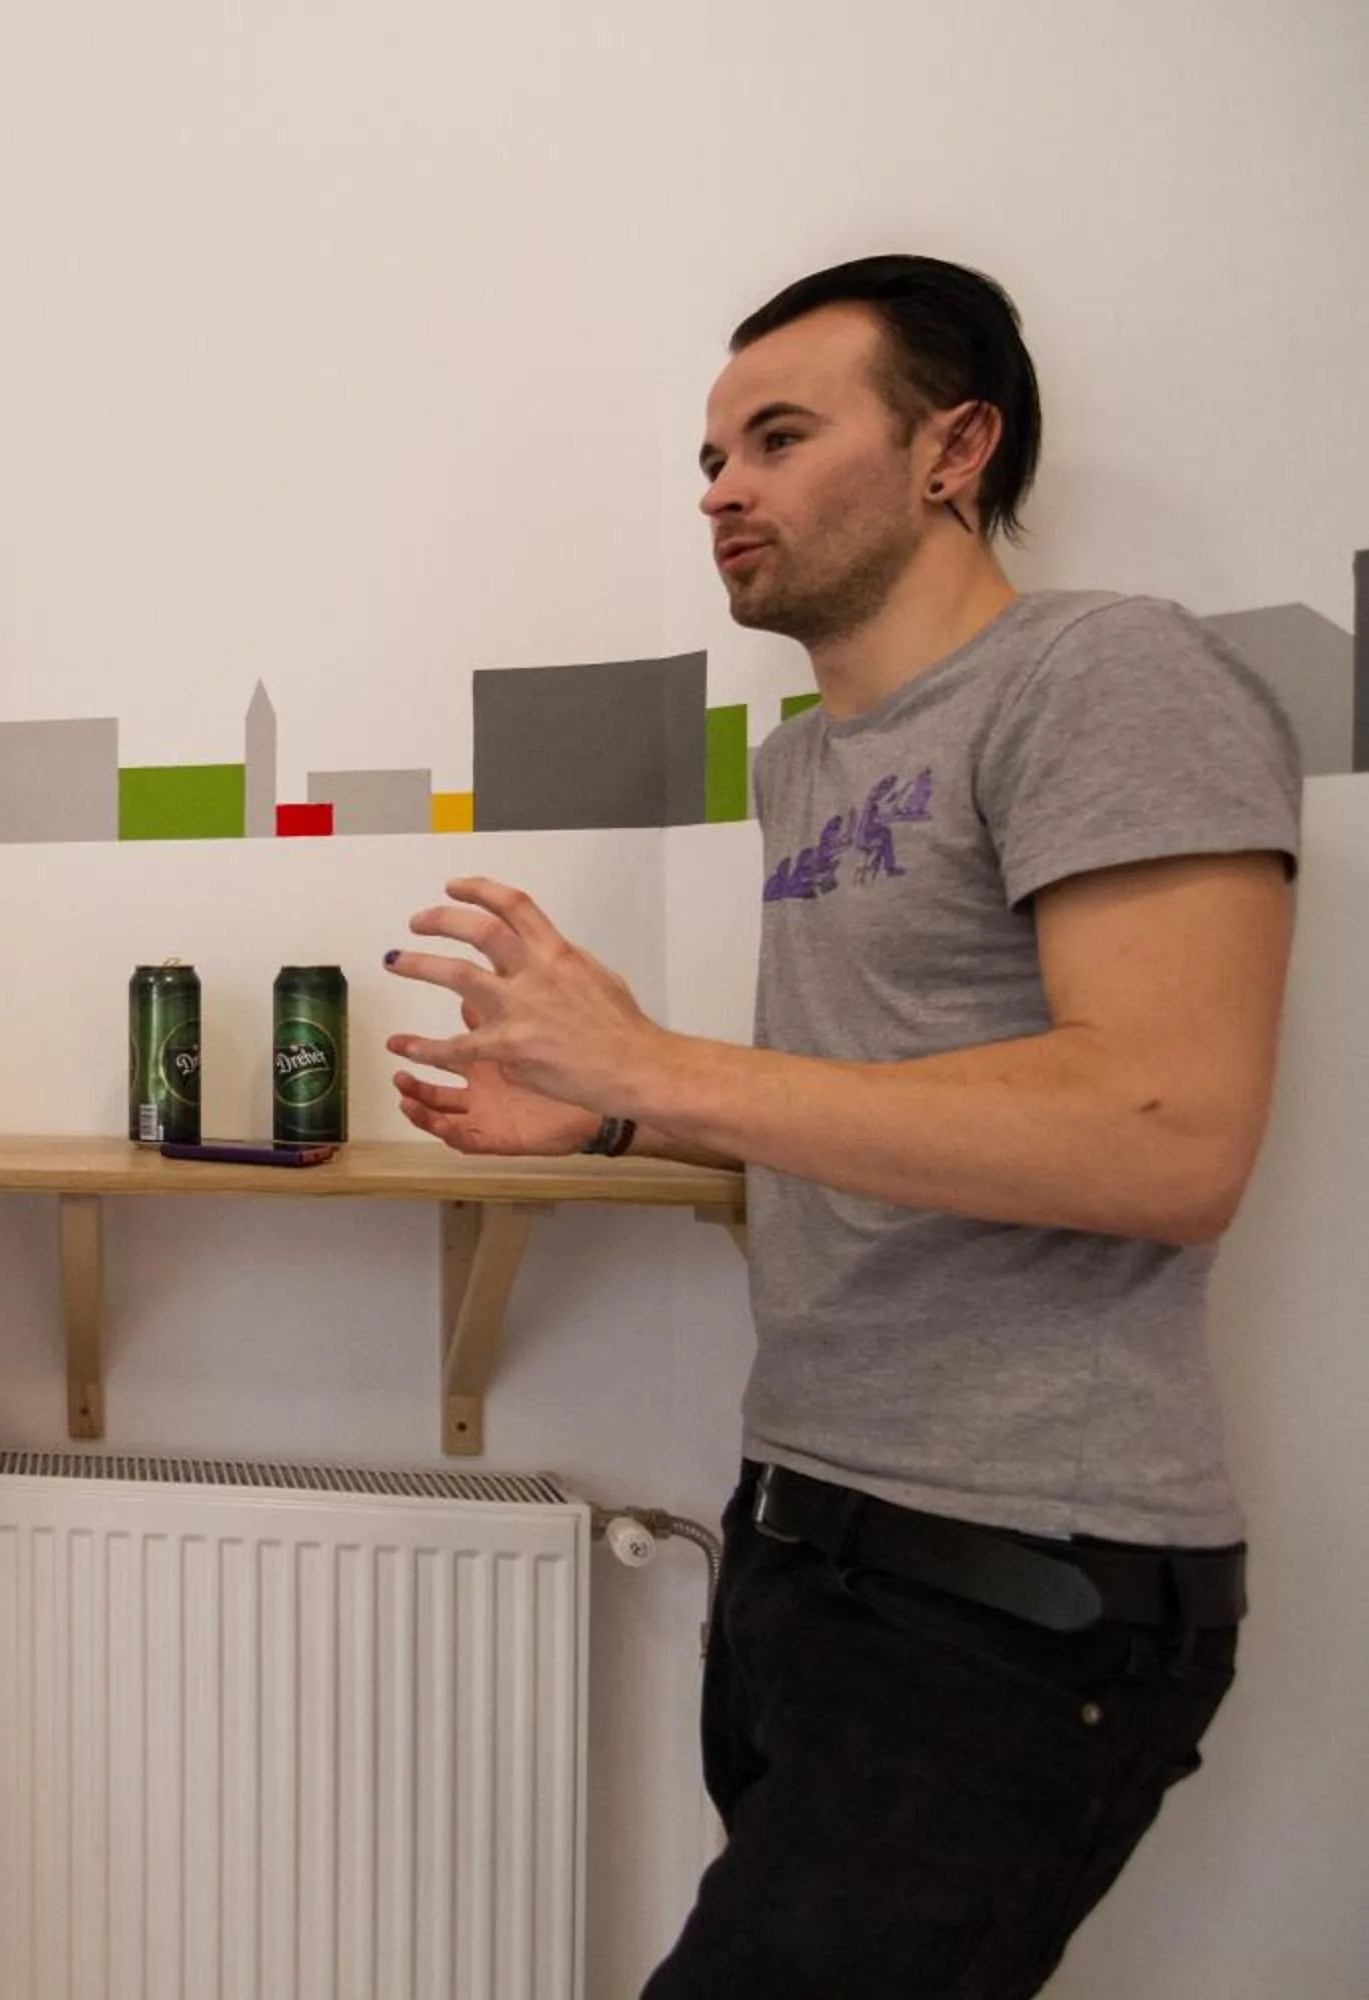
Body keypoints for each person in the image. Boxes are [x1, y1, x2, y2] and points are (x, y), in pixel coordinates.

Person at [380, 256, 1300, 1998]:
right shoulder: (807, 760)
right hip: (810, 1541)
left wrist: (652, 1062)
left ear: (957, 448)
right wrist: (597, 1123)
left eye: (780, 437)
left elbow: (1172, 1134)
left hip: (1025, 1583)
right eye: (710, 457)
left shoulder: (1102, 678)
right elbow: (874, 1117)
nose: (722, 489)